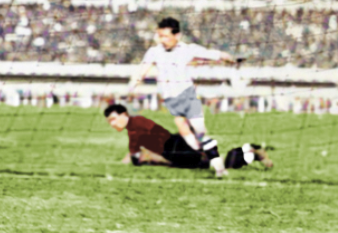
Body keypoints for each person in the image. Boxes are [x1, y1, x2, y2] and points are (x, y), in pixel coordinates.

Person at [127, 17, 239, 177]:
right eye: (160, 36)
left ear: (177, 36)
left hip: (187, 97)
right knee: (188, 135)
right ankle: (206, 158)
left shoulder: (188, 49)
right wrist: (132, 85)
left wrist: (230, 58)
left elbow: (214, 54)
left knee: (200, 132)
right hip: (171, 101)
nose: (162, 40)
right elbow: (142, 70)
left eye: (166, 36)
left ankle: (219, 168)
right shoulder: (154, 51)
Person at [104, 103, 272, 170]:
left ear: (123, 114)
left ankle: (251, 150)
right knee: (212, 163)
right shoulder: (135, 125)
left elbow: (135, 156)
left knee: (211, 164)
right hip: (175, 147)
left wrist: (145, 157)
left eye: (113, 119)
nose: (112, 124)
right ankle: (249, 151)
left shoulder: (135, 126)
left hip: (177, 148)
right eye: (109, 121)